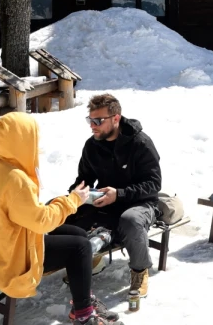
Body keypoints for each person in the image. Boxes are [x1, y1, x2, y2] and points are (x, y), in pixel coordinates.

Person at [0, 112, 117, 325]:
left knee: (77, 234)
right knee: (80, 247)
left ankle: (84, 299)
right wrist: (72, 201)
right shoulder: (15, 178)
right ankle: (83, 314)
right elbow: (42, 221)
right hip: (4, 260)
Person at [67, 94, 161, 304]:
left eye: (98, 121)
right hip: (105, 201)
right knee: (65, 209)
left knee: (130, 220)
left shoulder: (141, 143)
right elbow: (84, 178)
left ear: (116, 119)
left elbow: (154, 184)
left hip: (140, 203)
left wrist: (119, 194)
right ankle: (86, 257)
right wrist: (77, 193)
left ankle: (140, 270)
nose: (92, 126)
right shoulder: (92, 145)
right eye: (90, 120)